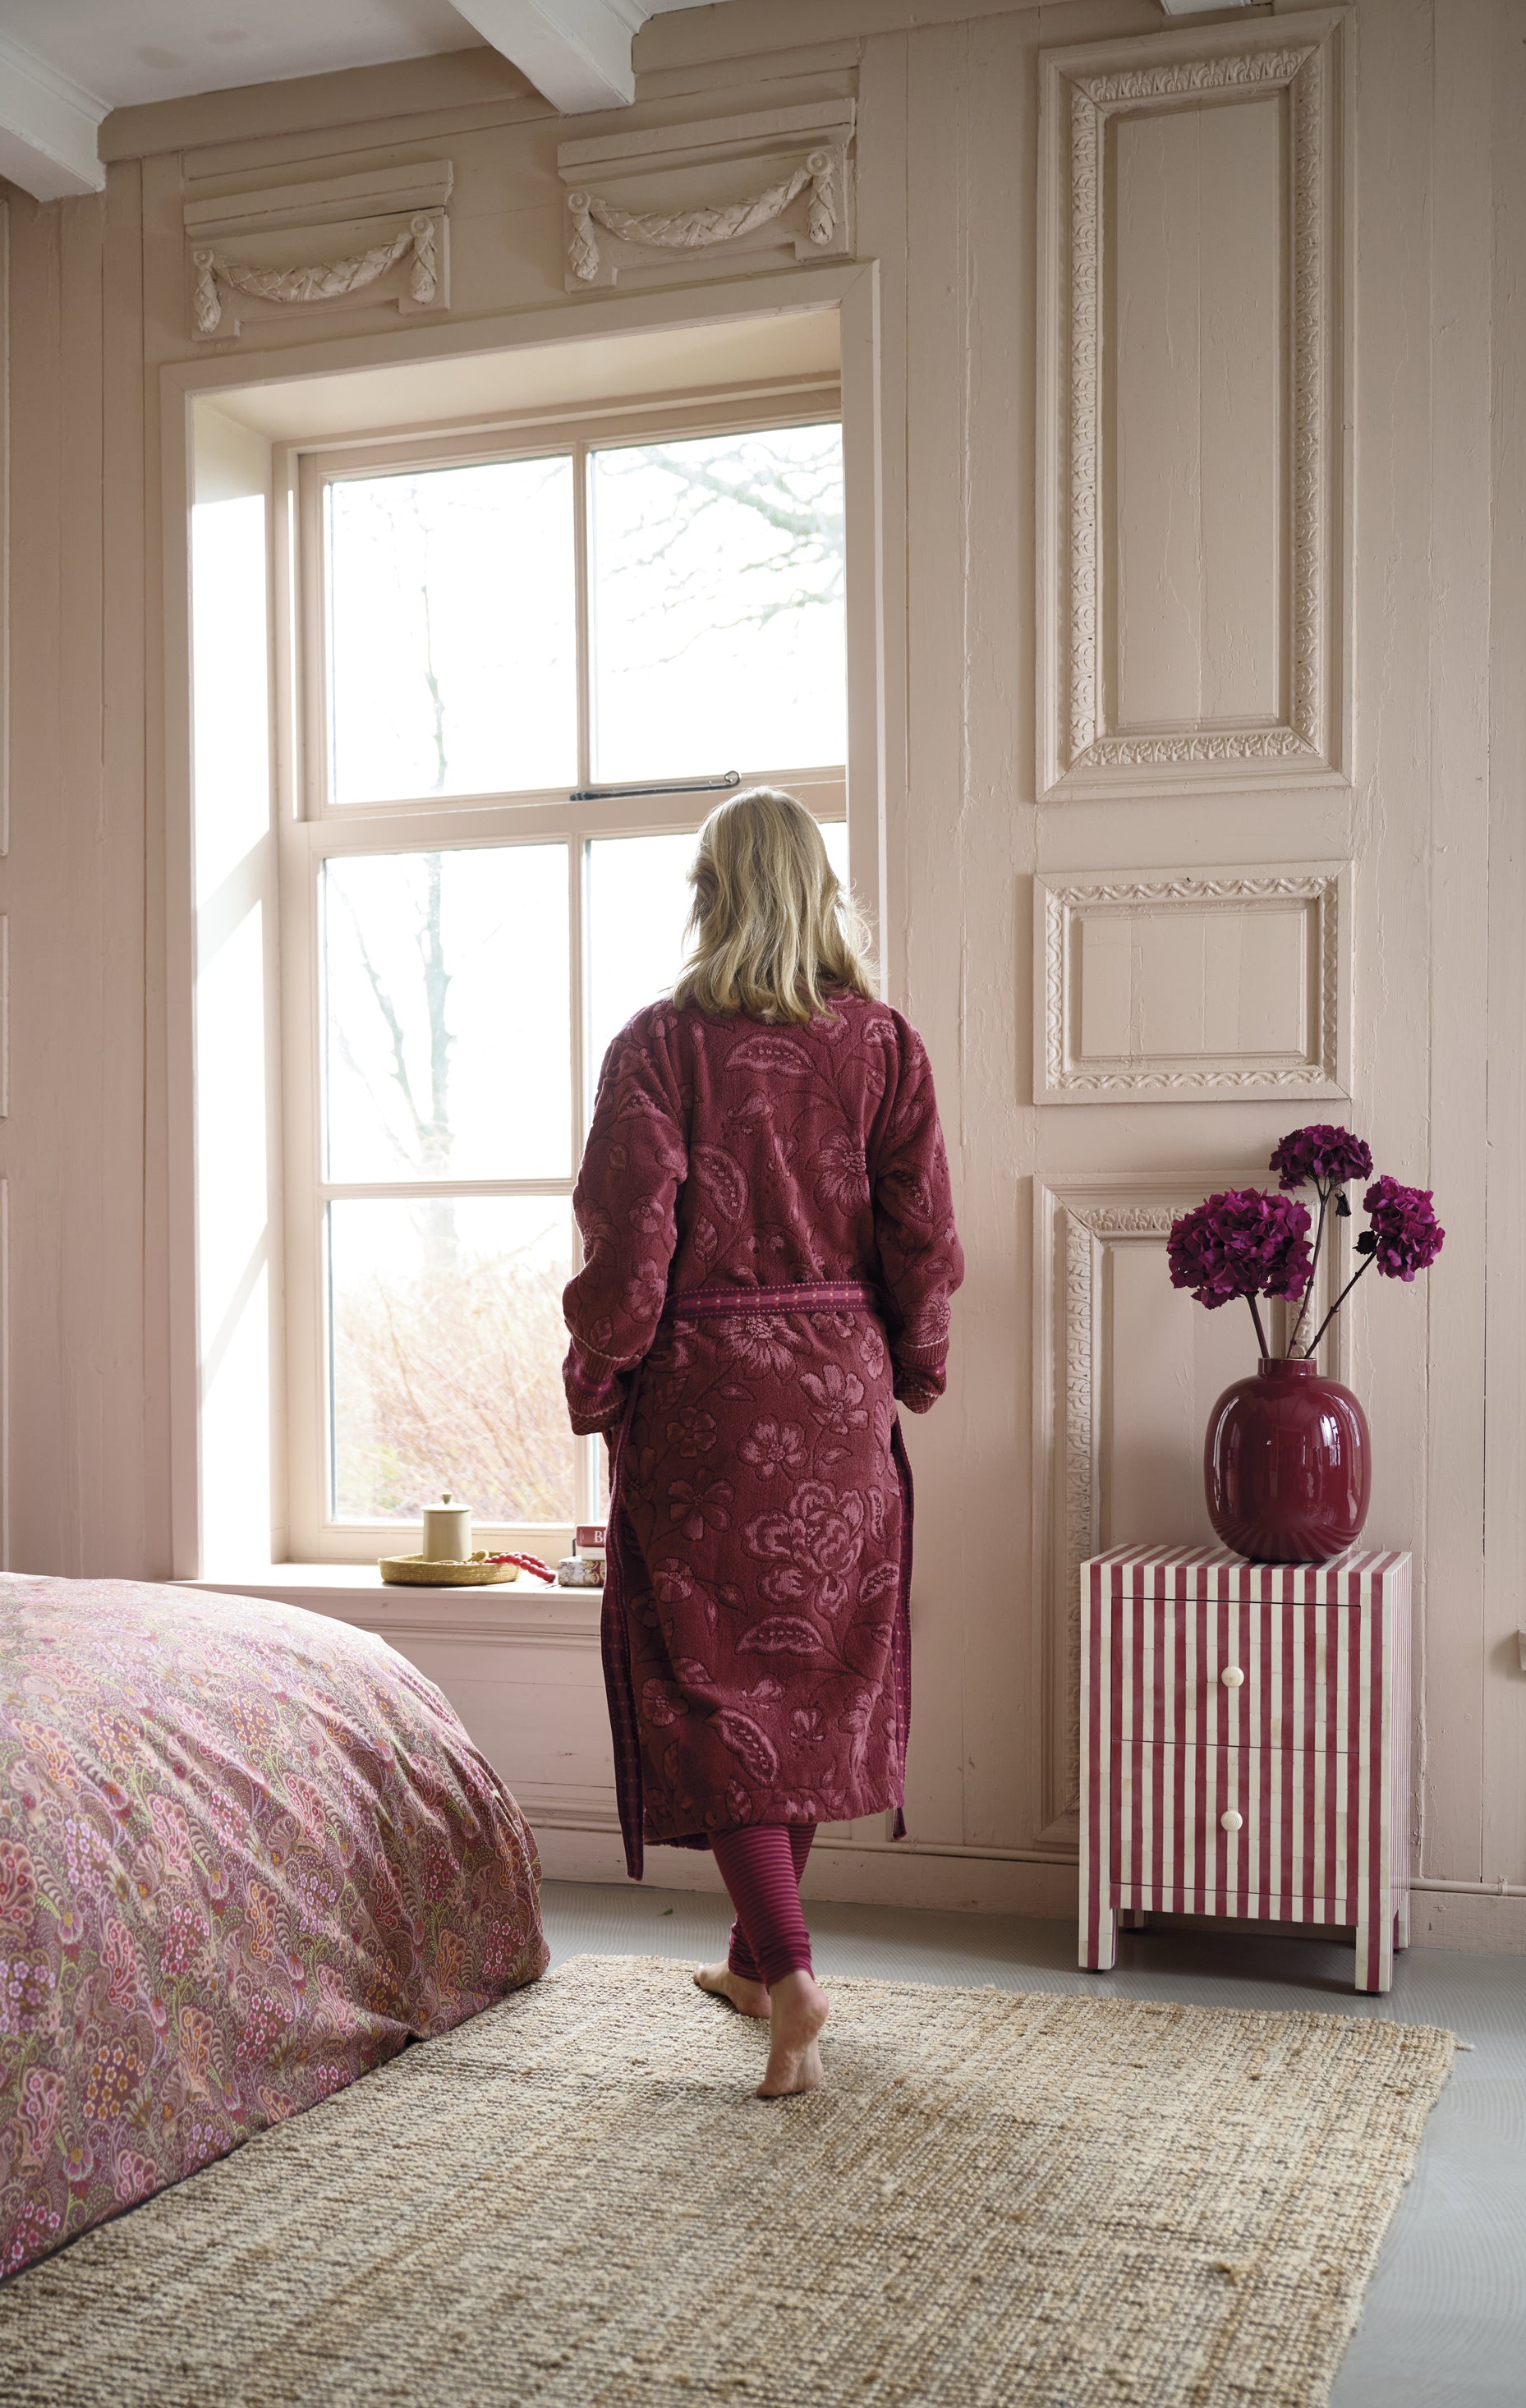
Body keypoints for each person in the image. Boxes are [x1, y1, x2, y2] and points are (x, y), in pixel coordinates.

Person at [562, 787, 963, 2098]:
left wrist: (599, 1375)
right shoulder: (886, 1045)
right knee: (811, 1678)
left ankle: (787, 1974)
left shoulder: (658, 1046)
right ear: (823, 896)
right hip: (840, 1394)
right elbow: (925, 1238)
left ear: (710, 895)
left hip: (706, 1401)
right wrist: (915, 1367)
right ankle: (752, 1963)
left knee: (714, 1684)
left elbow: (630, 1240)